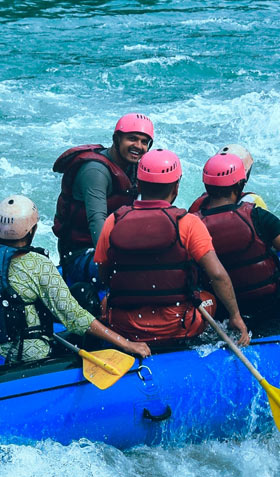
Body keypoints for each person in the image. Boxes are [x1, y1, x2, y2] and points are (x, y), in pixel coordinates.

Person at [0, 195, 151, 366]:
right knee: (88, 318)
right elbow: (76, 318)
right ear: (31, 230)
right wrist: (126, 344)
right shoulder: (36, 263)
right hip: (26, 356)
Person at [95, 149, 251, 347]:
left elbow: (104, 273)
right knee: (209, 298)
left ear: (139, 184)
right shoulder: (188, 223)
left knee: (106, 301)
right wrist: (235, 315)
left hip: (124, 326)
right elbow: (218, 275)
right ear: (176, 188)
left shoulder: (113, 221)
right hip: (179, 326)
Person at [192, 152, 280, 320]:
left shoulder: (191, 224)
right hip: (271, 306)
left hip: (223, 312)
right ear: (240, 186)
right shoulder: (257, 216)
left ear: (207, 186)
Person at [52, 112, 153, 290]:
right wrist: (116, 265)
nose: (138, 146)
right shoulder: (96, 172)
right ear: (116, 139)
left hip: (114, 246)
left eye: (144, 142)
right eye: (132, 139)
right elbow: (96, 221)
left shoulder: (134, 167)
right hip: (80, 254)